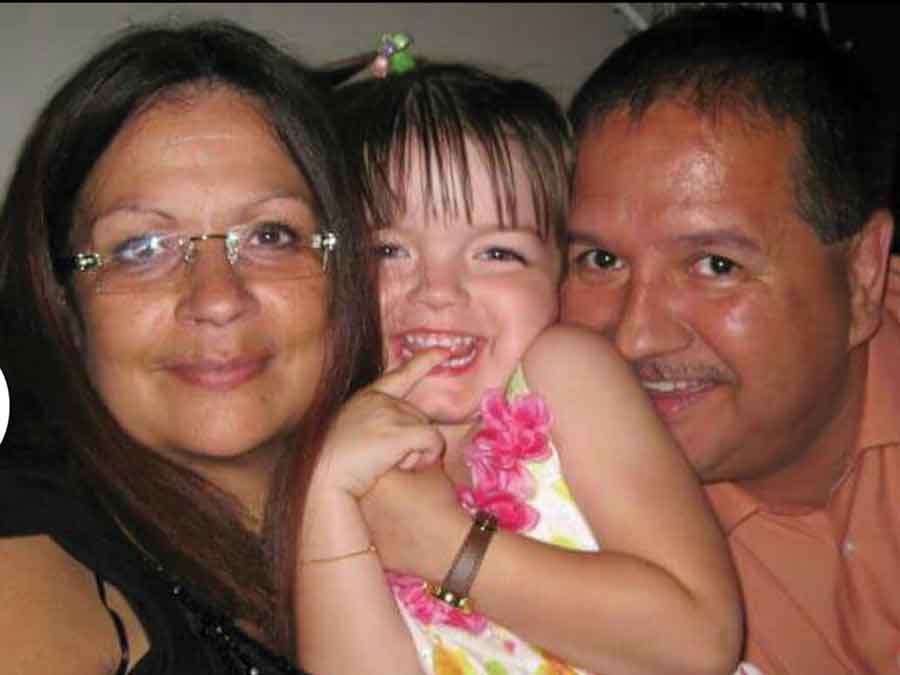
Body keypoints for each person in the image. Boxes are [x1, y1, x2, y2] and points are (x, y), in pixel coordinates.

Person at [294, 61, 743, 675]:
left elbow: (699, 641)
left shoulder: (564, 375)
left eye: (498, 252)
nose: (439, 290)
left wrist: (445, 544)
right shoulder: (332, 465)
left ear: (560, 275)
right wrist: (324, 494)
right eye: (387, 250)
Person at [0, 20, 382, 674]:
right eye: (141, 248)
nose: (217, 298)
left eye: (270, 235)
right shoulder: (32, 554)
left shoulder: (442, 500)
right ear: (62, 301)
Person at [561, 6, 900, 673]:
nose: (634, 337)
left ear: (862, 275)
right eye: (601, 261)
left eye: (716, 265)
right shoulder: (549, 514)